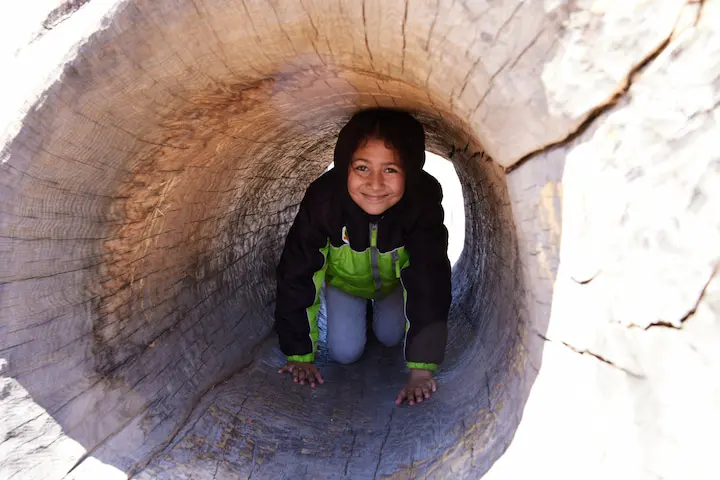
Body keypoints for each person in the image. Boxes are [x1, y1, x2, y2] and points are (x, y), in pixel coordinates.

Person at [274, 108, 451, 406]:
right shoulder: (325, 202)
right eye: (362, 168)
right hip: (345, 284)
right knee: (345, 353)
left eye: (391, 169)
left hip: (393, 284)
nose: (375, 183)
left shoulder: (419, 205)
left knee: (391, 337)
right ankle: (354, 313)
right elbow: (298, 273)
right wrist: (299, 354)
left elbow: (429, 281)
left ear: (410, 170)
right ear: (345, 166)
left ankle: (379, 314)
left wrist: (422, 369)